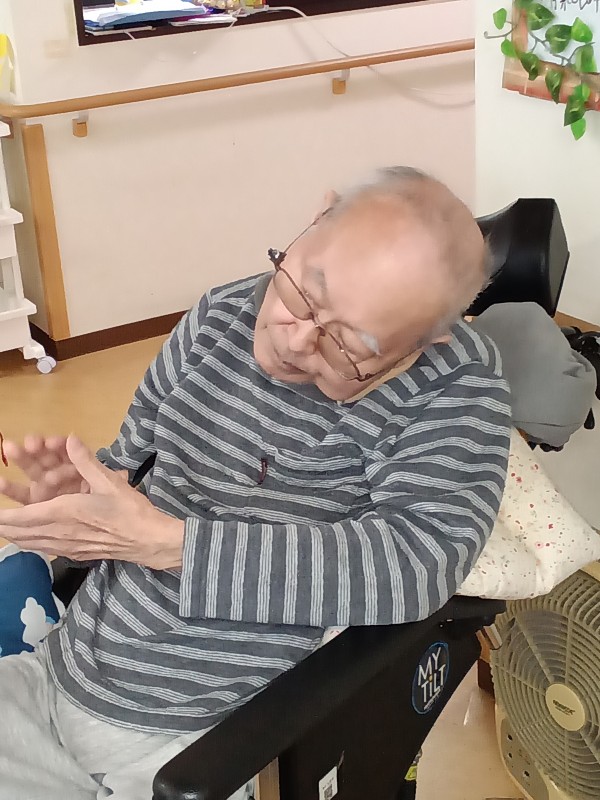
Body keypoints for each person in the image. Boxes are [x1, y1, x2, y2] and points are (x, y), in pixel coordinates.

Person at [0, 166, 511, 800]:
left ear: (427, 341)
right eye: (302, 293)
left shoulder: (452, 387)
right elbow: (131, 468)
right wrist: (80, 501)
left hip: (204, 736)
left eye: (347, 347)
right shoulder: (221, 315)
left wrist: (178, 547)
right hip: (61, 675)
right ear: (317, 217)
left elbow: (419, 563)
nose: (295, 340)